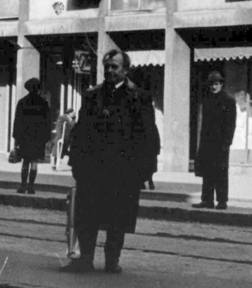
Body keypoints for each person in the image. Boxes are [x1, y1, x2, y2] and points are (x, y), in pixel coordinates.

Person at [63, 50, 159, 273]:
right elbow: (80, 132)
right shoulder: (91, 96)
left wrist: (146, 170)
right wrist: (76, 164)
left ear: (125, 70)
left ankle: (112, 261)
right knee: (88, 216)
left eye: (114, 67)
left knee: (118, 217)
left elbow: (149, 135)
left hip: (124, 170)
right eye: (106, 66)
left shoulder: (140, 97)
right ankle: (85, 259)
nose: (109, 70)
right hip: (93, 169)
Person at [196, 71, 237, 209]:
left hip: (221, 144)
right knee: (207, 172)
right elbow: (204, 125)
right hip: (207, 142)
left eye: (216, 84)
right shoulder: (207, 101)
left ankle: (222, 201)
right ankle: (207, 200)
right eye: (212, 84)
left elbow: (231, 125)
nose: (214, 87)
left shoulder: (229, 101)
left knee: (221, 172)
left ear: (222, 84)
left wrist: (227, 143)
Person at [12, 77, 52, 194]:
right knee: (34, 161)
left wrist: (16, 137)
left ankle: (23, 185)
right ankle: (31, 186)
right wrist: (46, 138)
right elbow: (47, 122)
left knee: (25, 161)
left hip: (25, 137)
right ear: (38, 88)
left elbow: (17, 122)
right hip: (38, 138)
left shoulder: (22, 102)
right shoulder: (44, 104)